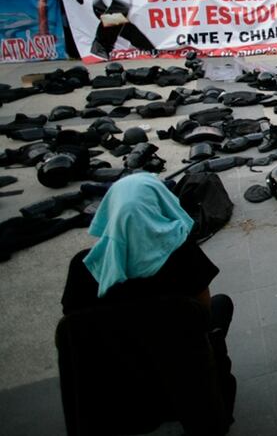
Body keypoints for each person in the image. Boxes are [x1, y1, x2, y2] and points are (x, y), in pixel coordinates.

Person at [61, 173, 236, 421]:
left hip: (113, 386)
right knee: (221, 304)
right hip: (183, 379)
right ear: (162, 204)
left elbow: (75, 330)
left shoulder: (84, 266)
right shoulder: (182, 255)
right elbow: (203, 315)